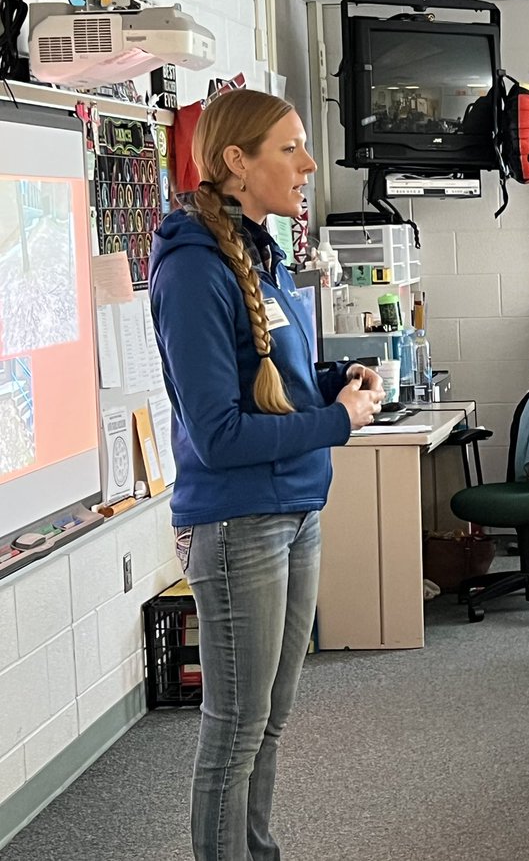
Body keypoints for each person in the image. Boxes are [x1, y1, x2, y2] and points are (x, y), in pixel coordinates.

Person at [149, 89, 384, 860]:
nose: (309, 164)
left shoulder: (257, 251)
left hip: (293, 508)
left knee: (269, 717)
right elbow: (218, 434)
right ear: (235, 164)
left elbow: (270, 377)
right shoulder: (194, 272)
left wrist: (329, 383)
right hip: (237, 520)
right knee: (235, 727)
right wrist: (337, 423)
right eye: (291, 148)